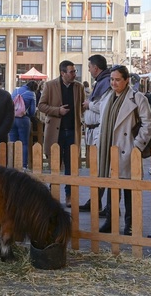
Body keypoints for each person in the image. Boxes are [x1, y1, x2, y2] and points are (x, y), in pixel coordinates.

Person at [94, 65, 151, 235]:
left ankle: (130, 224)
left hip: (127, 148)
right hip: (109, 148)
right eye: (112, 79)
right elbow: (102, 120)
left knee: (129, 188)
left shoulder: (137, 98)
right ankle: (110, 221)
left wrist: (136, 145)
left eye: (117, 79)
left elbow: (148, 124)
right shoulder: (107, 96)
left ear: (126, 80)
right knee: (111, 185)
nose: (114, 83)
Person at [38, 60, 85, 206]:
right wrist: (57, 111)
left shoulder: (79, 87)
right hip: (55, 133)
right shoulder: (50, 85)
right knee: (55, 165)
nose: (74, 74)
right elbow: (41, 105)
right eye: (71, 72)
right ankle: (54, 195)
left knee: (71, 166)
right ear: (62, 73)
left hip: (72, 131)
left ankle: (69, 195)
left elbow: (83, 106)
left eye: (75, 71)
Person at [80, 54, 111, 212]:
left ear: (96, 68)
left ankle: (103, 204)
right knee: (98, 170)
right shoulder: (101, 81)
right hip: (94, 130)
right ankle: (96, 201)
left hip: (100, 130)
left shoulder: (106, 82)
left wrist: (88, 104)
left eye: (90, 67)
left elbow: (103, 107)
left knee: (102, 170)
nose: (89, 70)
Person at [9, 81, 37, 168]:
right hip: (23, 120)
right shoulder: (31, 94)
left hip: (12, 119)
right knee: (24, 143)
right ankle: (23, 165)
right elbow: (32, 112)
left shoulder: (15, 91)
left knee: (13, 142)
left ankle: (12, 163)